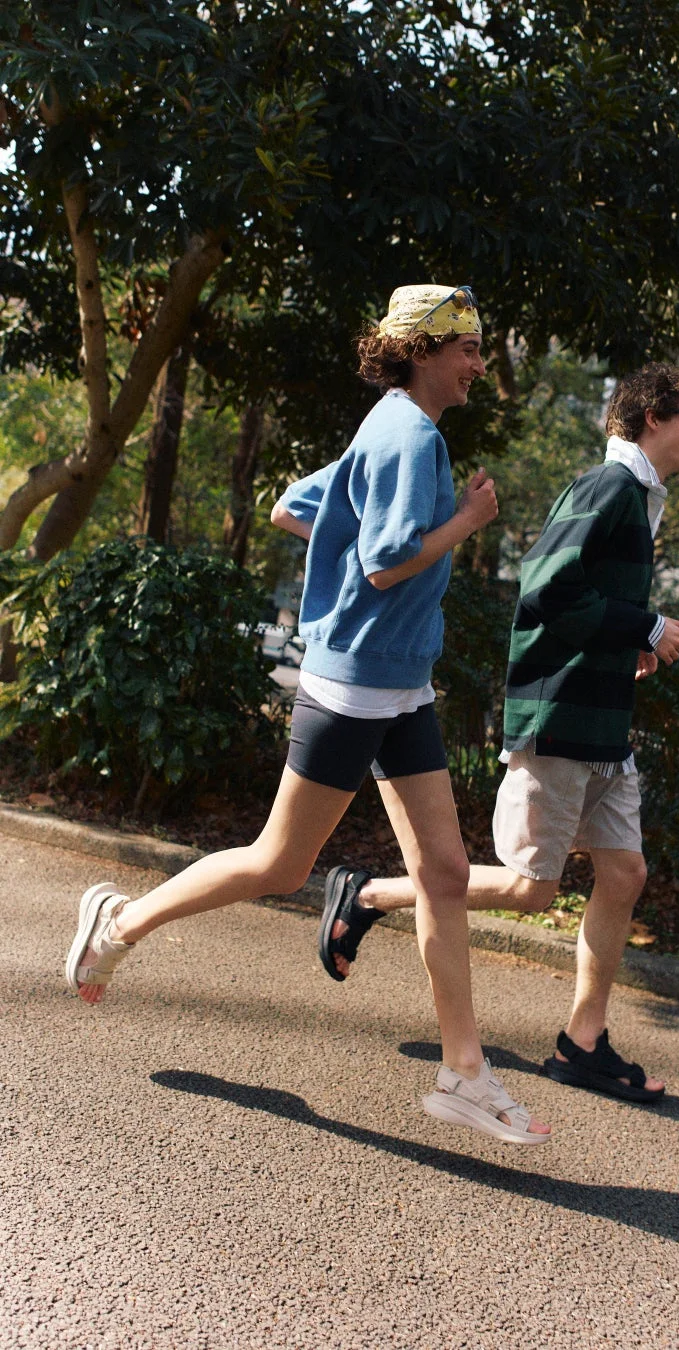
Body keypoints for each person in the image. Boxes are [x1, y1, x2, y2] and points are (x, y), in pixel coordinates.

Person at [65, 283, 550, 1147]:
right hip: (358, 686)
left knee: (442, 872)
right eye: (469, 348)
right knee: (280, 865)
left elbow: (296, 505)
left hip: (400, 684)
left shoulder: (388, 423)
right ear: (427, 349)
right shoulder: (410, 434)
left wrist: (346, 557)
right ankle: (120, 924)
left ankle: (465, 1073)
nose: (480, 364)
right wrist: (467, 522)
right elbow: (387, 561)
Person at [320, 362, 679, 1104]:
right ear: (651, 416)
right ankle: (368, 895)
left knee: (624, 875)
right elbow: (545, 586)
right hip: (560, 721)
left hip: (599, 724)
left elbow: (579, 604)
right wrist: (646, 625)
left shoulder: (636, 498)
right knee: (532, 891)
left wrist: (625, 645)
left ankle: (581, 1044)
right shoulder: (610, 487)